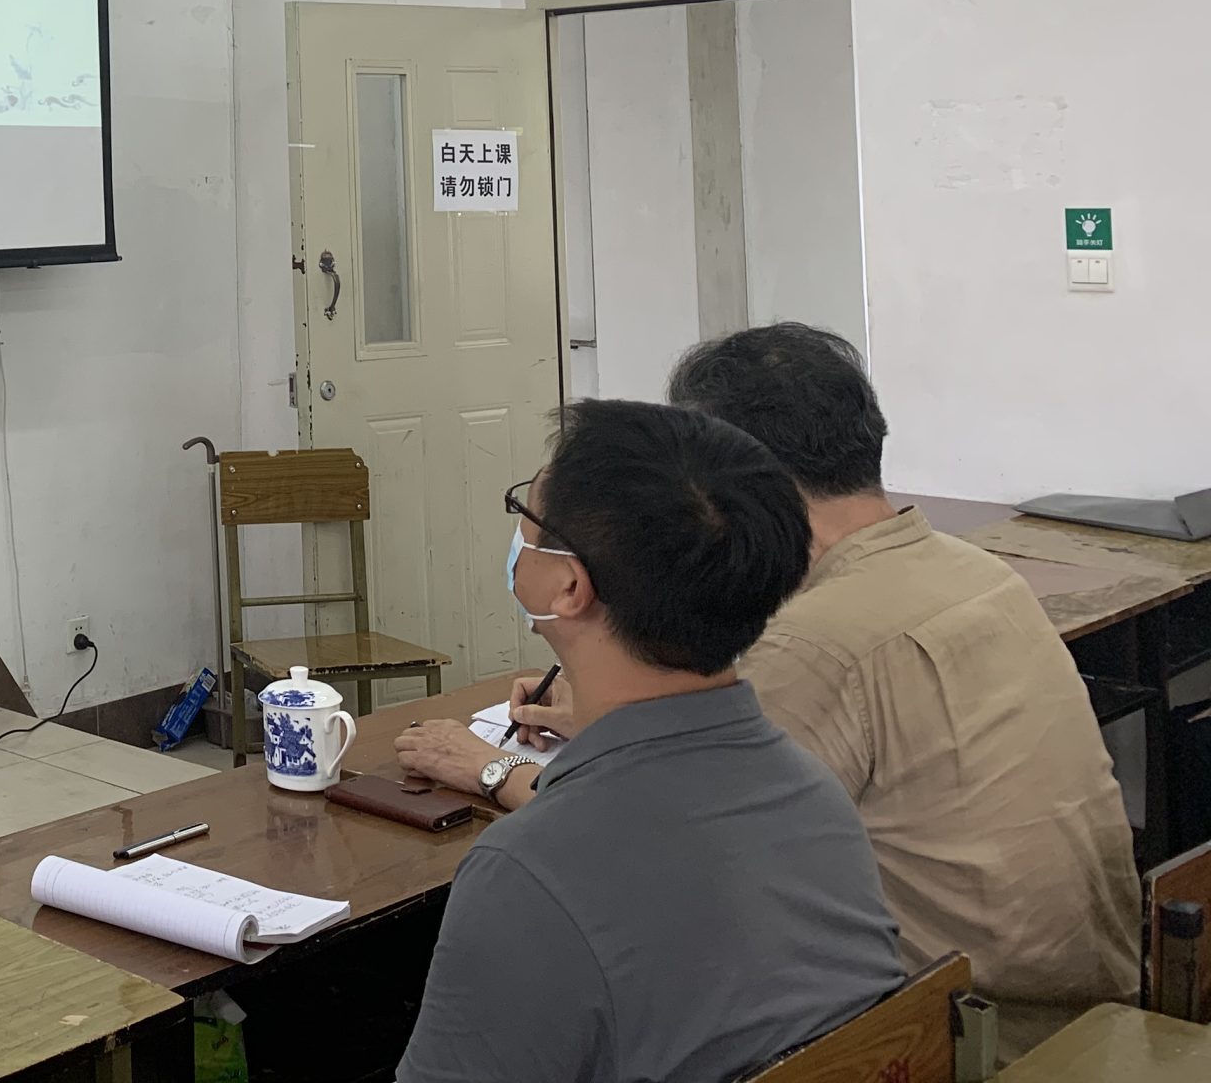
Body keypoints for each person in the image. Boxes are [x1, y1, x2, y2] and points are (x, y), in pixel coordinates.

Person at [665, 323, 1141, 1060]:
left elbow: (683, 851)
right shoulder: (980, 573)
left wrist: (502, 771)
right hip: (1094, 1002)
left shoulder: (814, 642)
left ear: (733, 487)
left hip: (978, 1043)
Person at [391, 400, 901, 1083]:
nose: (517, 534)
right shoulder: (819, 800)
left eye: (527, 517)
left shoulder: (524, 872)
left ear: (570, 585)